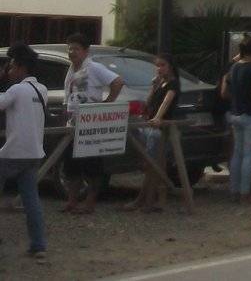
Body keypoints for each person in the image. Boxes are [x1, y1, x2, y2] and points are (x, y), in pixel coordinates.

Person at [61, 33, 123, 214]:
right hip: (73, 123)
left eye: (76, 49)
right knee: (71, 165)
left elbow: (117, 82)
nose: (72, 52)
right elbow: (69, 96)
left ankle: (90, 203)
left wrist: (106, 104)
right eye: (70, 48)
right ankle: (72, 201)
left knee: (92, 166)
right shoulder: (71, 70)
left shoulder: (94, 68)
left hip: (90, 124)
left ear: (86, 51)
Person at [1, 44, 48, 260]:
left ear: (21, 68)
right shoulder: (42, 90)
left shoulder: (17, 90)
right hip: (34, 152)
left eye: (11, 66)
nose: (9, 71)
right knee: (31, 200)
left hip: (13, 152)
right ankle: (38, 245)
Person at [126, 53, 180, 213]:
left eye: (162, 65)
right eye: (157, 65)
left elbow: (166, 101)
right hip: (151, 125)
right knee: (154, 165)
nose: (159, 69)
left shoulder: (173, 84)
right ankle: (150, 200)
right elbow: (149, 102)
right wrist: (154, 86)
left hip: (161, 128)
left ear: (170, 66)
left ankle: (147, 200)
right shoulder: (160, 83)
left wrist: (158, 117)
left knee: (153, 165)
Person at [221, 36, 251, 203]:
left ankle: (234, 191)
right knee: (249, 155)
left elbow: (224, 93)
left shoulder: (234, 67)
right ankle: (245, 192)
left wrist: (238, 97)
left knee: (237, 154)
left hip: (236, 114)